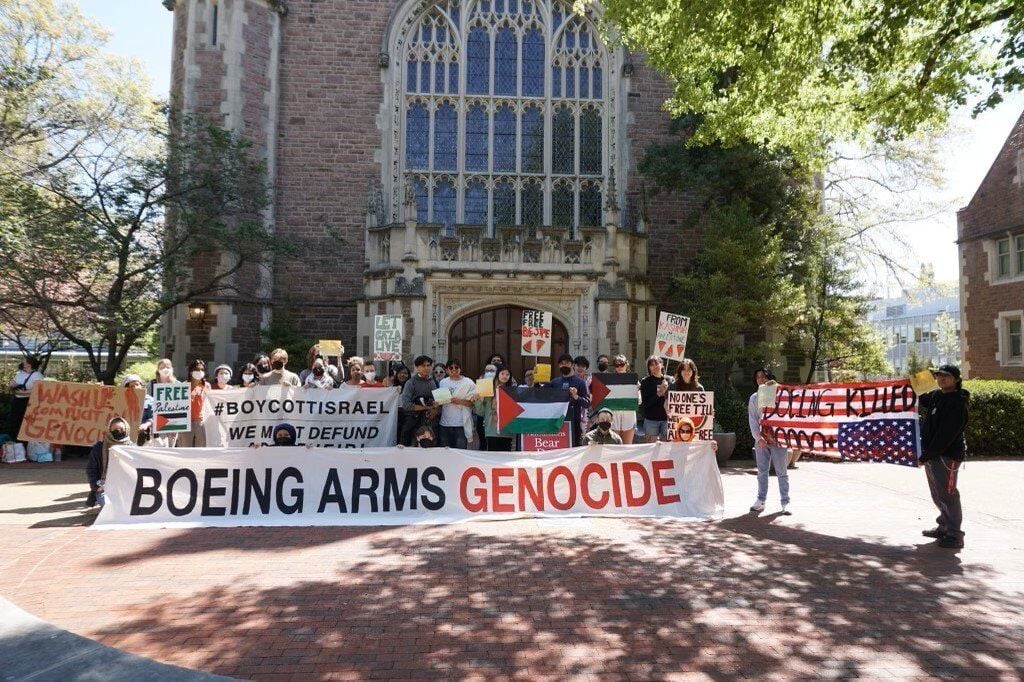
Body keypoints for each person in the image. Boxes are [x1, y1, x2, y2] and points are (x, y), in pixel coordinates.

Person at [919, 364, 969, 549]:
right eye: (939, 376)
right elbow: (925, 400)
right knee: (938, 493)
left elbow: (945, 435)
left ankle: (955, 535)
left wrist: (925, 456)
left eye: (946, 376)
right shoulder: (938, 396)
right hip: (933, 455)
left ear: (956, 379)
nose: (941, 379)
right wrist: (916, 381)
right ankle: (944, 526)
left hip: (946, 457)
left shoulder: (957, 402)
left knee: (948, 495)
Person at [748, 367, 790, 514]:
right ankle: (760, 500)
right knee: (762, 472)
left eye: (763, 377)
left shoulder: (779, 394)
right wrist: (758, 438)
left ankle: (785, 502)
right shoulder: (754, 398)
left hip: (778, 439)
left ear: (768, 378)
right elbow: (753, 419)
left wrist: (776, 386)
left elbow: (789, 403)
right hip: (761, 440)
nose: (760, 379)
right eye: (758, 377)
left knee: (782, 471)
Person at [86, 417, 132, 508]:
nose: (118, 431)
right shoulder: (99, 448)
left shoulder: (132, 447)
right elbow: (91, 469)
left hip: (126, 487)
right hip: (105, 487)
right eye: (115, 430)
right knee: (110, 507)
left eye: (121, 429)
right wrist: (96, 487)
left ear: (127, 430)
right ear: (109, 430)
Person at [400, 355, 440, 446]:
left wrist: (435, 410)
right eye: (423, 366)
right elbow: (406, 405)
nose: (426, 368)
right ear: (417, 368)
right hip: (414, 423)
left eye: (428, 365)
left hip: (431, 425)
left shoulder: (434, 382)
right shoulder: (410, 383)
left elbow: (437, 401)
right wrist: (426, 407)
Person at [551, 353, 590, 447]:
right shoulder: (554, 382)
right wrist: (536, 380)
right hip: (557, 423)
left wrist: (576, 396)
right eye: (562, 363)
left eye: (567, 363)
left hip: (574, 422)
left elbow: (587, 404)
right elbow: (540, 395)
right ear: (559, 366)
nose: (564, 365)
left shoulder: (580, 382)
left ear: (572, 365)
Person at [437, 359, 477, 448]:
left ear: (460, 369)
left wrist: (457, 401)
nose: (454, 369)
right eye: (451, 367)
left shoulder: (468, 382)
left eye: (456, 367)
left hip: (461, 425)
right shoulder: (443, 382)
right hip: (444, 424)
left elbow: (473, 403)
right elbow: (440, 401)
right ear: (447, 370)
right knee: (445, 453)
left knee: (460, 453)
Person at [477, 365, 515, 451]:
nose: (505, 376)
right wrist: (480, 398)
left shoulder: (512, 391)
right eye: (502, 373)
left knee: (505, 459)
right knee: (492, 458)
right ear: (497, 374)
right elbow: (480, 412)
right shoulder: (488, 389)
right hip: (491, 429)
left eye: (507, 374)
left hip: (506, 430)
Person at [6, 357, 43, 444]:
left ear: (29, 364)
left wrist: (22, 392)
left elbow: (38, 390)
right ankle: (15, 444)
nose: (22, 364)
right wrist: (15, 387)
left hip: (28, 402)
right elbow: (11, 385)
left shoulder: (37, 375)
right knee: (14, 422)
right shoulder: (19, 374)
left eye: (24, 362)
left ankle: (25, 445)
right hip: (17, 401)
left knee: (25, 423)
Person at [178, 359, 210, 447]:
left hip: (201, 422)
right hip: (185, 422)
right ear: (191, 371)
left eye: (202, 370)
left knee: (201, 449)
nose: (199, 372)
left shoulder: (206, 386)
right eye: (197, 369)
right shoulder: (183, 386)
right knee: (185, 448)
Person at [639, 355, 670, 442]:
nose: (655, 366)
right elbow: (645, 404)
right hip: (651, 420)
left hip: (667, 419)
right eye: (651, 365)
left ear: (662, 365)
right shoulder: (645, 381)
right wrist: (659, 393)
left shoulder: (670, 380)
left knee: (666, 448)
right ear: (649, 368)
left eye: (656, 363)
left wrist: (666, 392)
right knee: (650, 448)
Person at [609, 354, 638, 444]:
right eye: (617, 365)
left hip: (628, 417)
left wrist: (636, 391)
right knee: (614, 447)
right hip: (615, 417)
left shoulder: (633, 380)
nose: (619, 367)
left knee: (627, 447)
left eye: (622, 365)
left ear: (626, 365)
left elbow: (639, 401)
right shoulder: (610, 380)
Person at [121, 374, 154, 446]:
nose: (135, 387)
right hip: (124, 436)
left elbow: (154, 417)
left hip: (143, 438)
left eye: (137, 384)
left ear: (141, 386)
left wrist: (146, 425)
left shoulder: (150, 400)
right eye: (132, 386)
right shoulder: (121, 400)